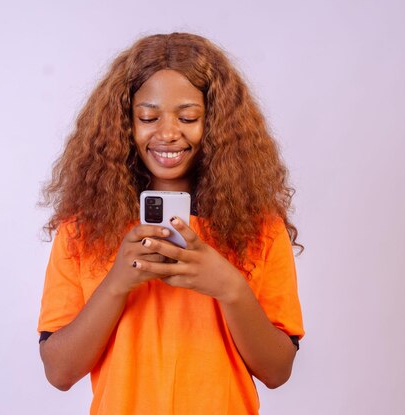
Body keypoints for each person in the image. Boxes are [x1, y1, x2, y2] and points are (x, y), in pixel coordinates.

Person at [37, 32, 305, 415]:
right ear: (125, 124)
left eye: (188, 117)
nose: (167, 133)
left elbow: (277, 370)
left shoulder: (260, 229)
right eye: (148, 116)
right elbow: (59, 371)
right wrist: (116, 284)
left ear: (215, 122)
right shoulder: (82, 230)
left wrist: (230, 287)